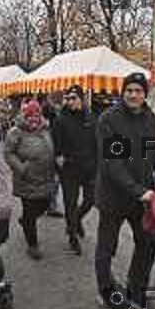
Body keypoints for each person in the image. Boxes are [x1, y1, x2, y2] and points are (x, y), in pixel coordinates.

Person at [95, 72, 155, 309]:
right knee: (107, 247)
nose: (133, 94)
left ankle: (136, 290)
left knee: (147, 243)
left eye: (138, 90)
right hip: (114, 196)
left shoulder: (150, 119)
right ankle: (107, 291)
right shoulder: (109, 120)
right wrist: (140, 191)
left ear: (144, 94)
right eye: (129, 90)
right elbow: (113, 163)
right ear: (123, 92)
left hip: (144, 198)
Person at [4, 100, 55, 260]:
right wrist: (22, 168)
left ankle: (25, 221)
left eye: (37, 115)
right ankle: (32, 245)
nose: (34, 119)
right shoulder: (15, 132)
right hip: (27, 178)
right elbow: (8, 153)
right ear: (24, 116)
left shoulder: (45, 129)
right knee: (30, 211)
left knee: (45, 204)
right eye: (30, 116)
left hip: (45, 177)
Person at [52, 85, 97, 255]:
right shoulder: (60, 119)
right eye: (68, 98)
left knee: (90, 200)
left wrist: (98, 164)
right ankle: (72, 235)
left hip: (89, 168)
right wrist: (59, 161)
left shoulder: (91, 118)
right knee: (70, 203)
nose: (70, 102)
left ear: (81, 99)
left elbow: (97, 142)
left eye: (73, 98)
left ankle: (76, 219)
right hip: (70, 169)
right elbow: (56, 146)